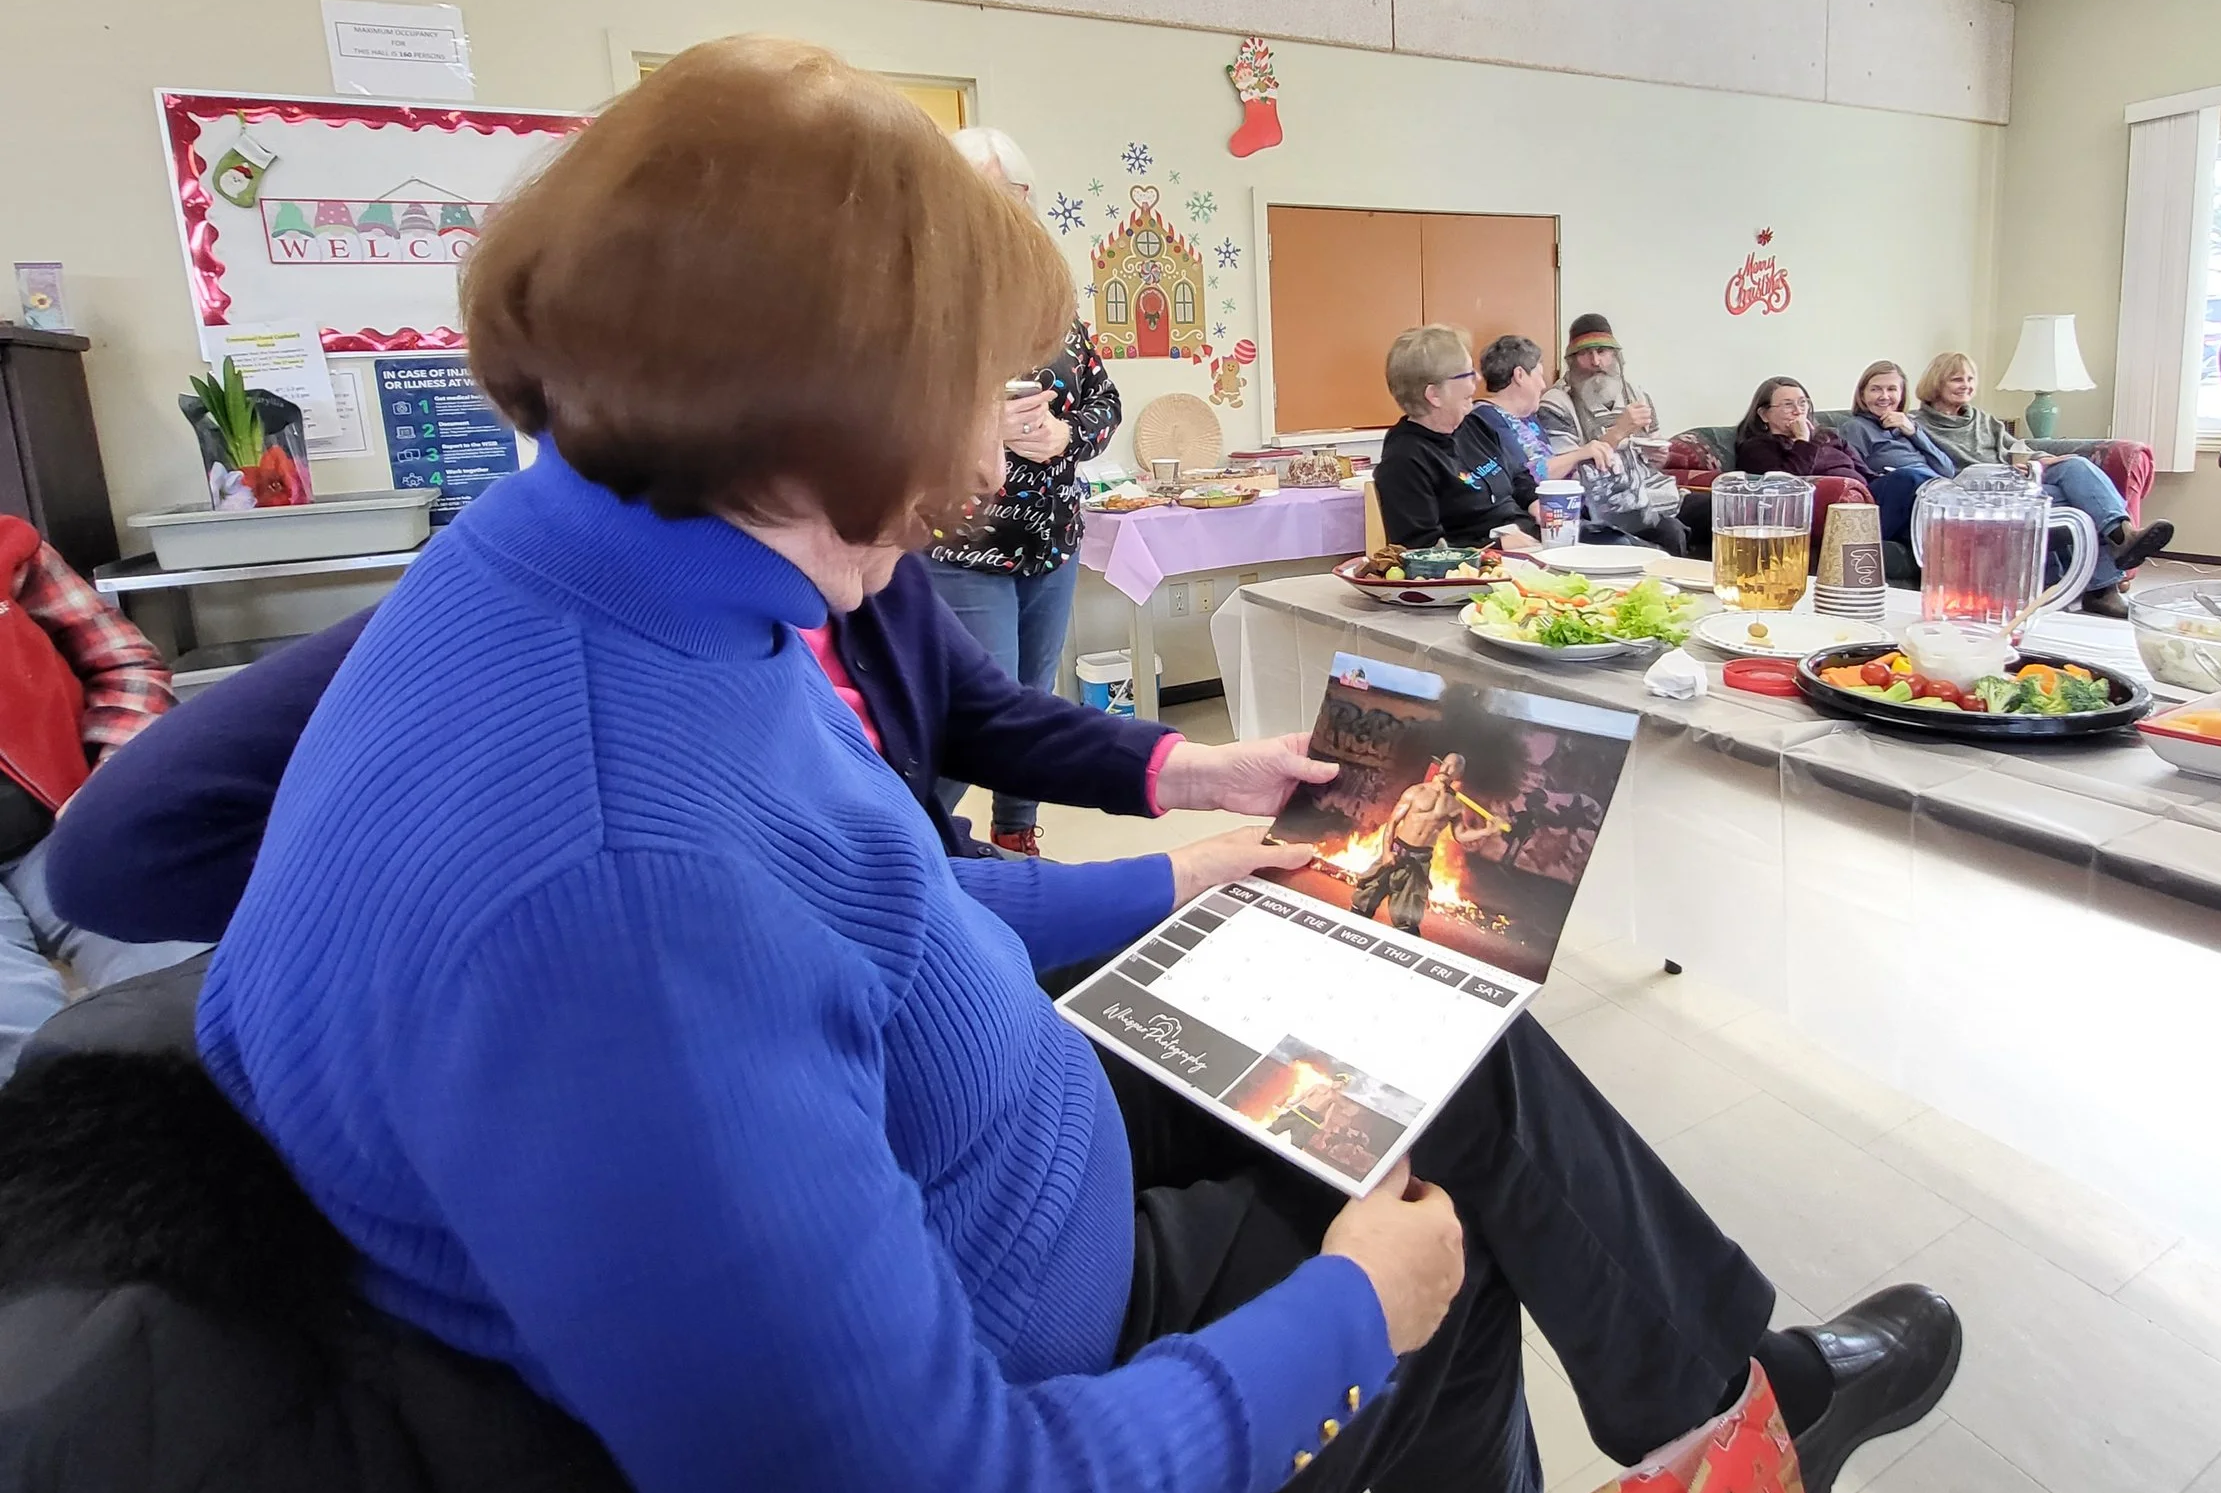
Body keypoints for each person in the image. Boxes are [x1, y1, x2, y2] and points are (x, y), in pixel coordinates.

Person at [191, 39, 1955, 1493]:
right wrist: (1355, 1312)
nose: (1011, 443)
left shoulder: (594, 585)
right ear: (846, 407)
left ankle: (1740, 1419)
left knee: (1432, 1011)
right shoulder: (620, 898)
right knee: (1443, 1251)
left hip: (970, 1129)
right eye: (997, 389)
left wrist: (1165, 859)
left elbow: (855, 898)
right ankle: (1671, 1407)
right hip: (1042, 1318)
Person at [45, 578, 1335, 975]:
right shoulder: (584, 637)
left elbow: (977, 717)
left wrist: (1202, 774)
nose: (996, 471)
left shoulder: (853, 563)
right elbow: (124, 848)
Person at [928, 126, 1120, 856]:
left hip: (1052, 540)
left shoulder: (1053, 312)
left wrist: (1067, 438)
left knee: (1033, 703)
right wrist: (978, 425)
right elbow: (885, 422)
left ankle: (1017, 836)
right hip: (960, 546)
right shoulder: (924, 307)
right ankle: (911, 837)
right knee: (979, 708)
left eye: (1005, 199)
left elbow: (1104, 405)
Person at [0, 513, 197, 1077]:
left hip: (59, 822)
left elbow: (125, 664)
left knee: (188, 974)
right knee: (19, 1039)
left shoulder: (11, 549)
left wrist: (107, 784)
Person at [1913, 351, 2173, 617]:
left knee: (2076, 466)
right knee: (2081, 500)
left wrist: (2041, 458)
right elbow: (1937, 468)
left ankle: (2122, 536)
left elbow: (2015, 447)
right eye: (1957, 379)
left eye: (1970, 379)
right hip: (1981, 496)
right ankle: (2103, 588)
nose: (1966, 385)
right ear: (1936, 383)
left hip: (2016, 481)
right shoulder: (1917, 425)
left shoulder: (1983, 420)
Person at [1474, 333, 1687, 555]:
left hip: (1580, 506)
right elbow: (1525, 477)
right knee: (1634, 544)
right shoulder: (1488, 421)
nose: (1543, 383)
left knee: (1669, 531)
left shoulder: (1526, 418)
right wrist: (1581, 453)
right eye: (1538, 374)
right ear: (1520, 375)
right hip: (1547, 517)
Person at [1375, 324, 1541, 551]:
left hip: (1532, 543)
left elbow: (1518, 476)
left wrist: (1536, 502)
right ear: (1434, 394)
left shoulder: (1476, 424)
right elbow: (1422, 548)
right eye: (1467, 373)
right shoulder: (1405, 459)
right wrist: (1494, 546)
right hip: (1484, 569)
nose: (1479, 378)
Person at [1536, 314, 1689, 549]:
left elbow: (1656, 454)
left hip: (1659, 493)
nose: (1596, 361)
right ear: (1572, 359)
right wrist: (1618, 432)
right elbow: (1570, 473)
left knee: (1717, 511)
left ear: (1615, 355)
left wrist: (1660, 457)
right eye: (1586, 353)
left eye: (1602, 351)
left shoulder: (1635, 393)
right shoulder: (1556, 403)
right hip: (1609, 504)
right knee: (1671, 533)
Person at [1348, 754, 1501, 937]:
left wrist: (1487, 831)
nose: (1446, 768)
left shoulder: (1454, 805)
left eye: (1453, 767)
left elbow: (1460, 835)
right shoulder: (1416, 791)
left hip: (1419, 861)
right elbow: (1392, 822)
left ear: (1458, 774)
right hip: (1397, 851)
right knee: (1364, 900)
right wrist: (1387, 852)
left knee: (1407, 919)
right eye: (1445, 763)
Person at [1832, 361, 1955, 545]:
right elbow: (1856, 474)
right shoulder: (1856, 427)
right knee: (1908, 476)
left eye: (1892, 389)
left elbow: (1947, 470)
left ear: (1902, 394)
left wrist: (1913, 431)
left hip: (1927, 496)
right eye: (1875, 389)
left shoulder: (1910, 426)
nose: (1884, 396)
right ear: (1862, 395)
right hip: (1891, 494)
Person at [1732, 377, 1872, 483]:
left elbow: (1867, 474)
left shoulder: (1828, 436)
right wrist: (1802, 440)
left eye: (1802, 403)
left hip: (1863, 494)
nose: (1798, 411)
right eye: (1788, 405)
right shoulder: (1757, 447)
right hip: (1825, 502)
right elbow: (1786, 484)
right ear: (1764, 414)